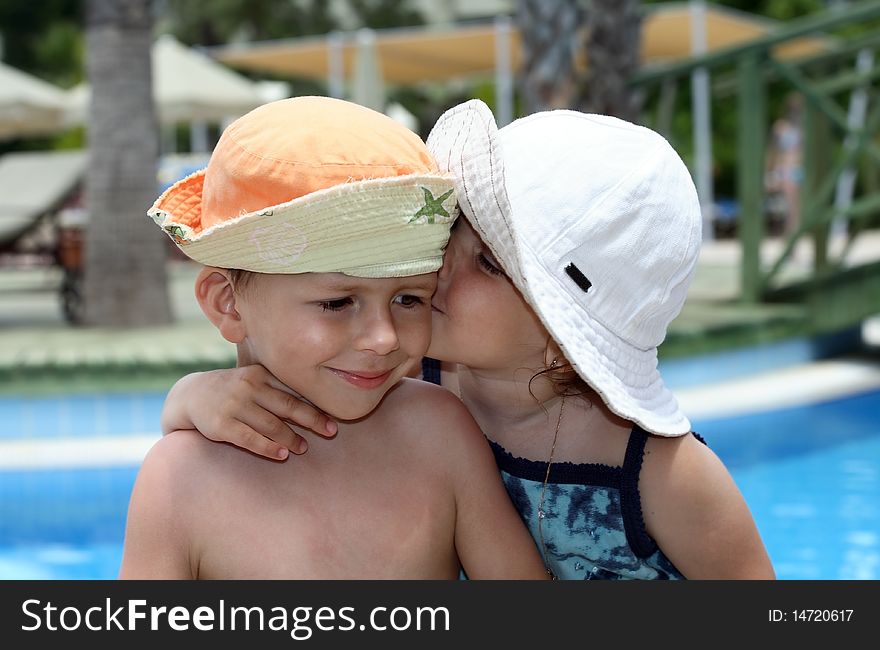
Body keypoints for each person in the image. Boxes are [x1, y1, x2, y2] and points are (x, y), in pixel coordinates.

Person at [161, 99, 775, 580]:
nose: (438, 268)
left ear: (563, 332)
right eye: (450, 235)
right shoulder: (403, 379)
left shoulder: (658, 471)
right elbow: (277, 345)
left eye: (487, 262)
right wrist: (190, 398)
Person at [119, 96, 550, 580]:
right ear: (227, 303)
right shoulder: (179, 481)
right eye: (338, 303)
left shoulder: (440, 431)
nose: (384, 338)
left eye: (409, 299)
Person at [766, 93, 804, 235]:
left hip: (799, 169)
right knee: (791, 207)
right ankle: (790, 237)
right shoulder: (780, 127)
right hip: (786, 170)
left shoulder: (802, 128)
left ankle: (791, 237)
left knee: (796, 207)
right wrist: (770, 172)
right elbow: (772, 151)